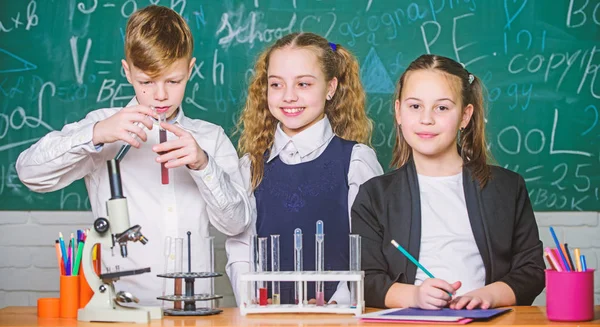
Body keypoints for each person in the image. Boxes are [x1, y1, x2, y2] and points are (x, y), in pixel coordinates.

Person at [16, 5, 251, 305]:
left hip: (194, 313)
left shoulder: (210, 138)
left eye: (173, 81)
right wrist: (95, 134)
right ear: (127, 71)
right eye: (146, 82)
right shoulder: (104, 127)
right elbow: (29, 174)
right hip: (121, 312)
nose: (161, 95)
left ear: (191, 69)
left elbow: (238, 224)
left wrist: (202, 164)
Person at [351, 54, 545, 310]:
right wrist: (415, 296)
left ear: (465, 116)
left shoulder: (507, 188)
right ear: (398, 112)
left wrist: (489, 296)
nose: (426, 119)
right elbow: (364, 280)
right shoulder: (375, 195)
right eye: (415, 106)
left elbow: (531, 271)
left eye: (441, 108)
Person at [226, 32, 383, 305]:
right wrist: (252, 300)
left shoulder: (356, 161)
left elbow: (368, 246)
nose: (288, 96)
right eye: (276, 84)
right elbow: (241, 248)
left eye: (304, 84)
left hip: (336, 318)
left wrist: (341, 301)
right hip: (269, 318)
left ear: (330, 87)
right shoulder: (251, 167)